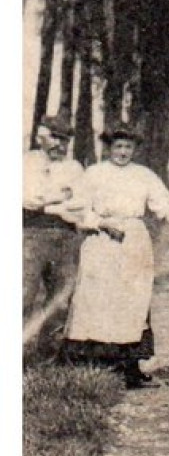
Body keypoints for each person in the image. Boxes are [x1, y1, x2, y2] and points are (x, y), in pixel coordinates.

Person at [63, 123, 169, 388]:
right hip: (101, 240)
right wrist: (101, 223)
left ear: (135, 149)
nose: (122, 152)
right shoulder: (93, 174)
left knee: (132, 300)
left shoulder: (144, 175)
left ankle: (130, 368)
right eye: (118, 146)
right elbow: (77, 209)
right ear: (109, 148)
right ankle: (94, 367)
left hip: (133, 240)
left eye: (128, 147)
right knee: (98, 298)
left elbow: (164, 206)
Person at [24, 116, 84, 357]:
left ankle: (47, 356)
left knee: (60, 299)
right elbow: (27, 199)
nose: (61, 145)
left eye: (66, 140)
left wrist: (46, 201)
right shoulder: (26, 162)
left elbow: (80, 203)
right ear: (41, 136)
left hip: (66, 236)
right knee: (23, 294)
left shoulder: (74, 168)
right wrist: (61, 196)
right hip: (29, 234)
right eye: (56, 138)